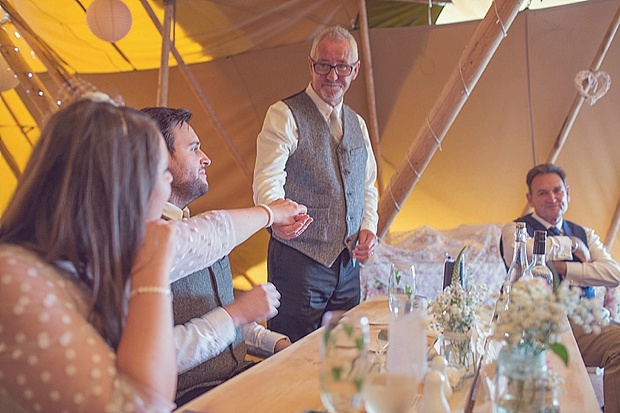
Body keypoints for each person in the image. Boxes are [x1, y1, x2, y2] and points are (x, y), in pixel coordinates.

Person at [0, 96, 309, 413]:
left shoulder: (95, 266)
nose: (166, 188)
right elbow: (142, 406)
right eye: (161, 171)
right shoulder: (15, 277)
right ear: (120, 182)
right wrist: (153, 273)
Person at [142, 107, 312, 405]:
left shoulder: (203, 233)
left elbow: (230, 321)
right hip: (193, 398)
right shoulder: (147, 243)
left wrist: (275, 343)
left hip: (239, 376)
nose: (206, 158)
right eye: (194, 149)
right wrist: (237, 313)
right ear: (159, 160)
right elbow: (157, 357)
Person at [253, 25, 379, 342]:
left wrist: (368, 226)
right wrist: (275, 219)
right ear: (311, 65)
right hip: (299, 263)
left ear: (355, 70)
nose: (332, 76)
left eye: (342, 67)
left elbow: (368, 185)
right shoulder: (284, 114)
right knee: (292, 351)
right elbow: (268, 178)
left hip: (348, 266)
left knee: (347, 351)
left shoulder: (358, 124)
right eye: (324, 65)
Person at [500, 163, 620, 413]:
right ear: (529, 198)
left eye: (557, 190)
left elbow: (614, 273)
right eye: (542, 193)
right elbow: (518, 253)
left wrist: (566, 268)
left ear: (567, 192)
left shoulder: (586, 232)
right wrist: (571, 244)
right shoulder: (515, 230)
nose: (552, 198)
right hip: (542, 325)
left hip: (585, 321)